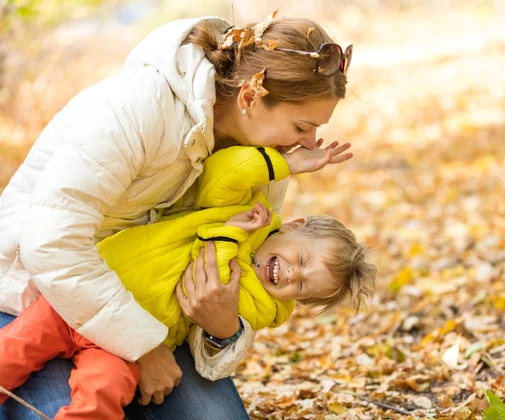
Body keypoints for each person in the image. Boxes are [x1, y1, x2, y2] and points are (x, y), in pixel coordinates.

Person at [0, 11, 354, 419]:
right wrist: (143, 347)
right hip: (39, 297)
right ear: (250, 98)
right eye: (301, 126)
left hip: (153, 316)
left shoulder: (269, 165)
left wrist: (224, 331)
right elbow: (52, 243)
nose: (309, 144)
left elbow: (241, 279)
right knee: (48, 409)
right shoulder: (138, 107)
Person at [0, 145, 377, 419]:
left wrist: (228, 238)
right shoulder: (244, 211)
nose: (293, 275)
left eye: (302, 288)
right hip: (87, 296)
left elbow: (214, 274)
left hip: (130, 341)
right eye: (301, 260)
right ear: (293, 226)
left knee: (105, 390)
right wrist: (284, 163)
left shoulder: (266, 305)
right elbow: (226, 172)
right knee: (14, 350)